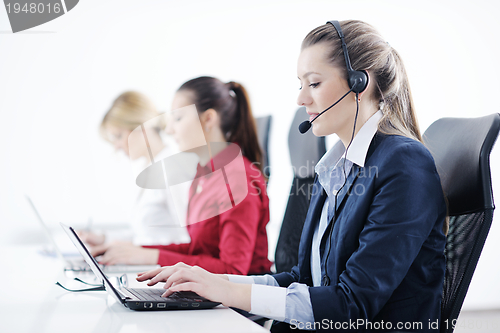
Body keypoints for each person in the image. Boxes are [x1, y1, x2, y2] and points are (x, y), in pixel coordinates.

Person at [136, 20, 447, 332]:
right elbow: (303, 278)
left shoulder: (404, 164)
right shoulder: (335, 166)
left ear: (358, 83)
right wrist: (211, 281)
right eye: (300, 85)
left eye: (313, 84)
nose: (301, 99)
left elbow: (351, 305)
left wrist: (226, 290)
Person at [92, 77, 272, 275]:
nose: (169, 129)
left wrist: (153, 257)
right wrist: (141, 252)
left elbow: (234, 271)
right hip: (210, 293)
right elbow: (197, 250)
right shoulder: (204, 175)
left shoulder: (238, 179)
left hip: (238, 302)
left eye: (177, 118)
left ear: (208, 119)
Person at [80, 91, 190, 251]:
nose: (116, 146)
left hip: (166, 269)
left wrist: (131, 249)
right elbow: (144, 234)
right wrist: (104, 239)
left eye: (118, 136)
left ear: (142, 128)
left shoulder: (174, 171)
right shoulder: (147, 169)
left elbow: (188, 239)